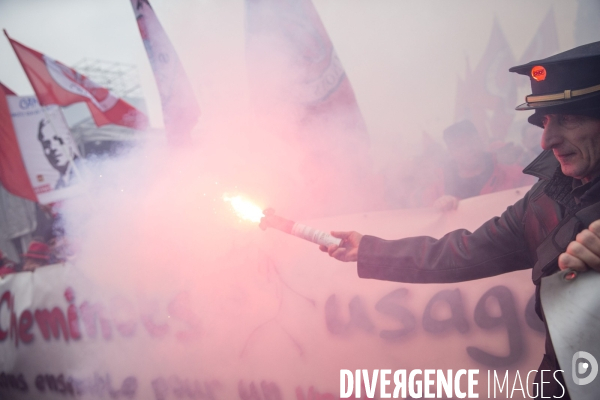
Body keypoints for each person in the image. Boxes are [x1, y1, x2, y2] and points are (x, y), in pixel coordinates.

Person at [320, 41, 600, 399]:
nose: (547, 140)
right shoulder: (545, 198)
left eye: (569, 118)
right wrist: (369, 250)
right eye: (545, 121)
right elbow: (465, 250)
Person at [423, 120, 534, 211]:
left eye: (472, 141)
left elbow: (535, 209)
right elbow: (425, 224)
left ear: (481, 141)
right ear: (450, 152)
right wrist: (437, 210)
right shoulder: (437, 191)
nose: (468, 149)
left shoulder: (517, 175)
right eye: (459, 146)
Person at [37, 118, 78, 189]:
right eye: (46, 144)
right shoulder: (57, 186)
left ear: (68, 139)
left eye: (57, 139)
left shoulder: (89, 171)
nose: (53, 148)